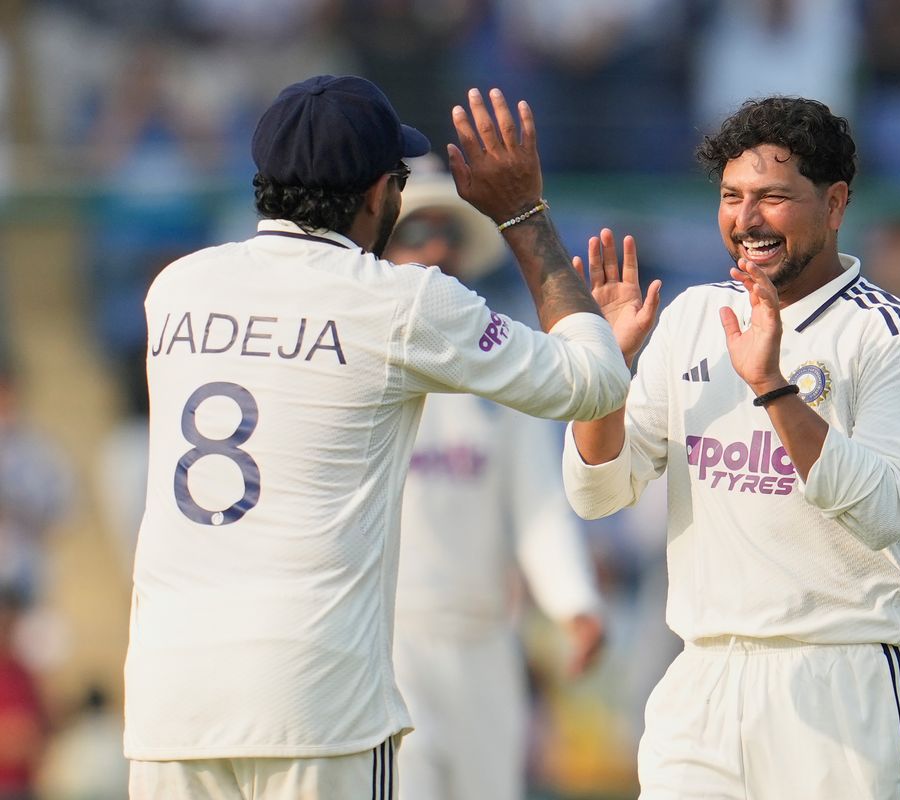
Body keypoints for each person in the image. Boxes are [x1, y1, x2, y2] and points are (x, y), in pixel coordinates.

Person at [122, 75, 630, 799]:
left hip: (170, 695)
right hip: (316, 695)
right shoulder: (401, 303)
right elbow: (596, 380)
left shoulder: (176, 288)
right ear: (376, 194)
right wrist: (523, 213)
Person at [563, 97, 900, 797]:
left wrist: (773, 388)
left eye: (773, 197)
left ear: (834, 204)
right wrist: (606, 375)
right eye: (731, 197)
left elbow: (887, 512)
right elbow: (597, 493)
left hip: (843, 681)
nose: (746, 219)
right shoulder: (691, 318)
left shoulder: (895, 338)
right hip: (703, 683)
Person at [381, 172, 607, 800]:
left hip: (485, 641)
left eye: (448, 235)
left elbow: (536, 503)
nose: (435, 249)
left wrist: (574, 603)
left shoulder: (499, 359)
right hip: (386, 641)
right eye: (415, 234)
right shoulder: (357, 358)